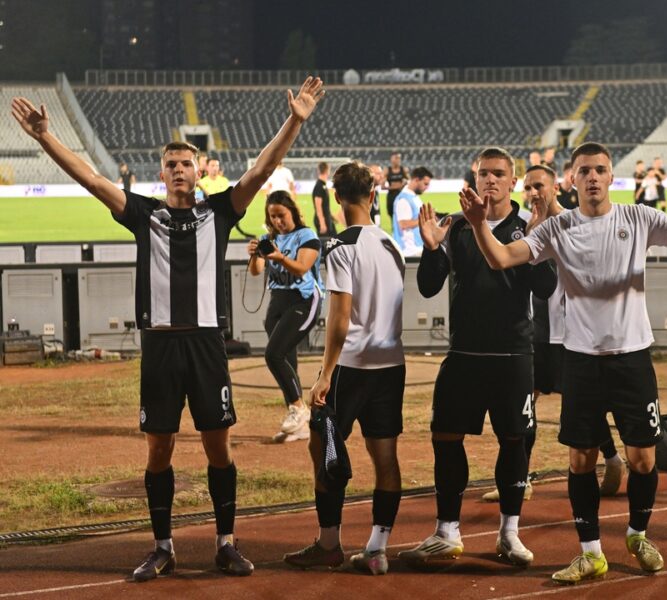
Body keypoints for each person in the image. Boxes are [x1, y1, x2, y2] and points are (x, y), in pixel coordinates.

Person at [11, 76, 326, 581]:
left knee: (218, 446)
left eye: (186, 164)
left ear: (200, 173)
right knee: (159, 449)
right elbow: (91, 179)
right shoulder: (143, 214)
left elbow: (262, 169)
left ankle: (226, 543)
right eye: (171, 164)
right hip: (159, 344)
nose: (179, 170)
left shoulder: (219, 211)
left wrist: (294, 121)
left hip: (205, 343)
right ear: (162, 174)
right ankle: (162, 547)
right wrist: (46, 137)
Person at [459, 142, 667, 583]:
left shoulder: (639, 217)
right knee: (580, 460)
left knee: (643, 459)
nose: (592, 177)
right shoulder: (559, 228)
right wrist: (480, 224)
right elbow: (500, 259)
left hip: (632, 358)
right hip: (581, 361)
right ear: (571, 180)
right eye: (584, 171)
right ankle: (590, 553)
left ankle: (637, 535)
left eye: (600, 169)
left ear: (612, 177)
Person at [399, 147, 557, 568]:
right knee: (445, 437)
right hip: (464, 352)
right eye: (484, 173)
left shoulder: (528, 225)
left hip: (512, 353)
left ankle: (509, 533)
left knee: (514, 442)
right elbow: (429, 287)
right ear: (474, 178)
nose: (490, 180)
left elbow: (545, 288)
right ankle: (446, 532)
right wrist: (431, 249)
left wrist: (537, 242)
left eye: (499, 174)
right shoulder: (455, 226)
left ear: (512, 181)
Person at [282, 162, 406, 576]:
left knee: (323, 445)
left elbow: (339, 317)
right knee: (385, 455)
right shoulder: (391, 243)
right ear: (372, 195)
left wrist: (325, 373)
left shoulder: (339, 245)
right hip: (391, 363)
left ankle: (329, 543)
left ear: (336, 198)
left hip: (352, 365)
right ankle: (377, 549)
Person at [480, 165, 625, 503]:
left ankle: (612, 458)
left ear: (556, 187)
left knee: (583, 404)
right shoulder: (522, 228)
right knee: (523, 405)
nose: (534, 193)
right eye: (529, 188)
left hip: (573, 332)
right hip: (535, 330)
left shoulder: (576, 223)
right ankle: (521, 478)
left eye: (539, 187)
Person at [247, 191, 323, 443]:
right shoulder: (268, 239)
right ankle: (299, 422)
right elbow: (256, 271)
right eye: (273, 216)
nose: (277, 221)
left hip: (303, 300)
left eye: (281, 215)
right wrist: (255, 254)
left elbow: (301, 268)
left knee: (274, 354)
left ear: (292, 211)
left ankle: (299, 409)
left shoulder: (306, 236)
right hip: (277, 303)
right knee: (286, 361)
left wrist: (279, 256)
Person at [391, 166, 433, 257]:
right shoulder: (403, 200)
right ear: (416, 180)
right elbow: (403, 224)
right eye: (425, 184)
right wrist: (426, 218)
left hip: (416, 247)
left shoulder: (413, 196)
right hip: (409, 251)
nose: (427, 187)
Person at [312, 162, 334, 237]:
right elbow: (318, 206)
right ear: (328, 170)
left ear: (318, 171)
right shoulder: (319, 186)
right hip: (323, 221)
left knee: (334, 239)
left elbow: (325, 204)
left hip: (327, 219)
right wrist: (322, 223)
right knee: (326, 242)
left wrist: (331, 216)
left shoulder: (323, 185)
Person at [384, 152, 408, 220]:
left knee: (402, 215)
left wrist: (404, 183)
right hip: (391, 196)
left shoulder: (404, 170)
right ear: (391, 159)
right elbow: (382, 186)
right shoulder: (387, 170)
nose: (398, 160)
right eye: (396, 158)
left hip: (401, 195)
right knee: (391, 215)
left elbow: (408, 182)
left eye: (399, 158)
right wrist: (397, 186)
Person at [368, 163, 384, 228]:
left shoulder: (375, 192)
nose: (382, 176)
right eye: (378, 173)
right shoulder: (363, 193)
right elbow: (342, 215)